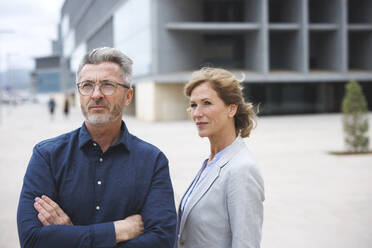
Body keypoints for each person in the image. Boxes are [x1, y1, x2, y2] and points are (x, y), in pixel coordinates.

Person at [17, 47, 177, 248]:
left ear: (128, 96)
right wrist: (117, 231)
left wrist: (70, 234)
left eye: (108, 85)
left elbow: (162, 241)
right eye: (87, 85)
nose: (96, 94)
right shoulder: (47, 156)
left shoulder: (153, 161)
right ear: (79, 93)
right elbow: (31, 240)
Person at [176, 67, 265, 248]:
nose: (196, 113)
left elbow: (246, 244)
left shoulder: (242, 169)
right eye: (193, 105)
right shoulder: (211, 162)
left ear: (231, 109)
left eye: (206, 103)